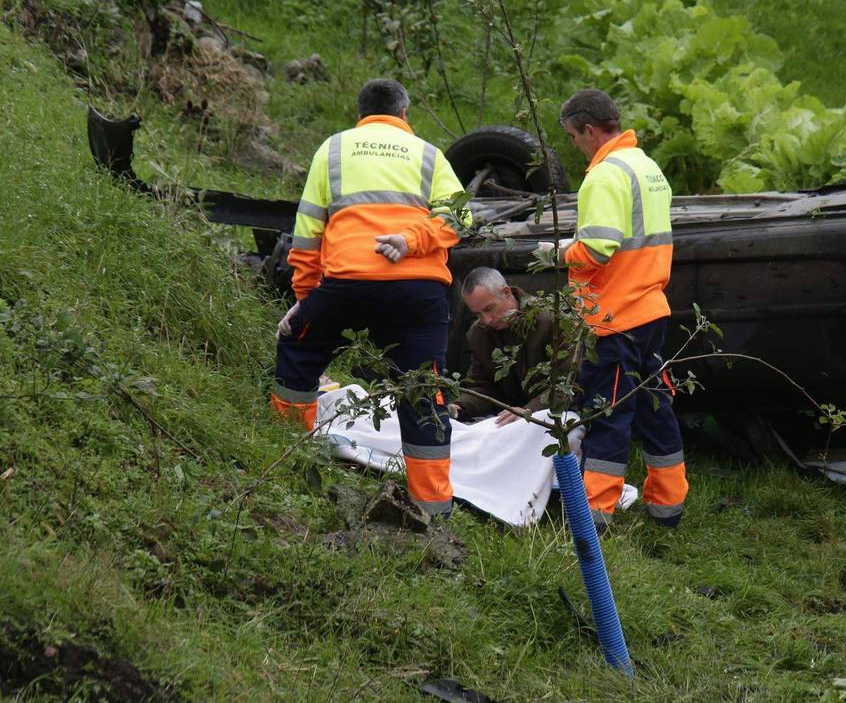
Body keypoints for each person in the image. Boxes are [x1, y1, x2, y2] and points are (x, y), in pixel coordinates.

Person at [270, 79, 470, 518]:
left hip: (347, 284)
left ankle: (285, 462)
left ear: (359, 113)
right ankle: (433, 508)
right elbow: (461, 216)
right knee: (423, 389)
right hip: (419, 290)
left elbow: (306, 236)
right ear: (405, 113)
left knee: (299, 353)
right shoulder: (429, 154)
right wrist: (413, 239)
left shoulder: (334, 149)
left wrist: (307, 301)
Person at [554, 88, 687, 530]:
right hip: (649, 309)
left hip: (615, 317)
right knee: (655, 408)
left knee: (607, 414)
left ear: (590, 130)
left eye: (574, 136)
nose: (574, 145)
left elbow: (596, 249)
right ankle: (668, 505)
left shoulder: (605, 175)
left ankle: (595, 516)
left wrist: (558, 253)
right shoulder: (647, 168)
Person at [451, 267, 569, 426]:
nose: (486, 320)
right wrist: (460, 406)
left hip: (554, 414)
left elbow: (568, 385)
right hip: (509, 420)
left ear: (506, 292)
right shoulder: (478, 334)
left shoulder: (552, 321)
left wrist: (529, 410)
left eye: (488, 309)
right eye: (477, 314)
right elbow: (482, 386)